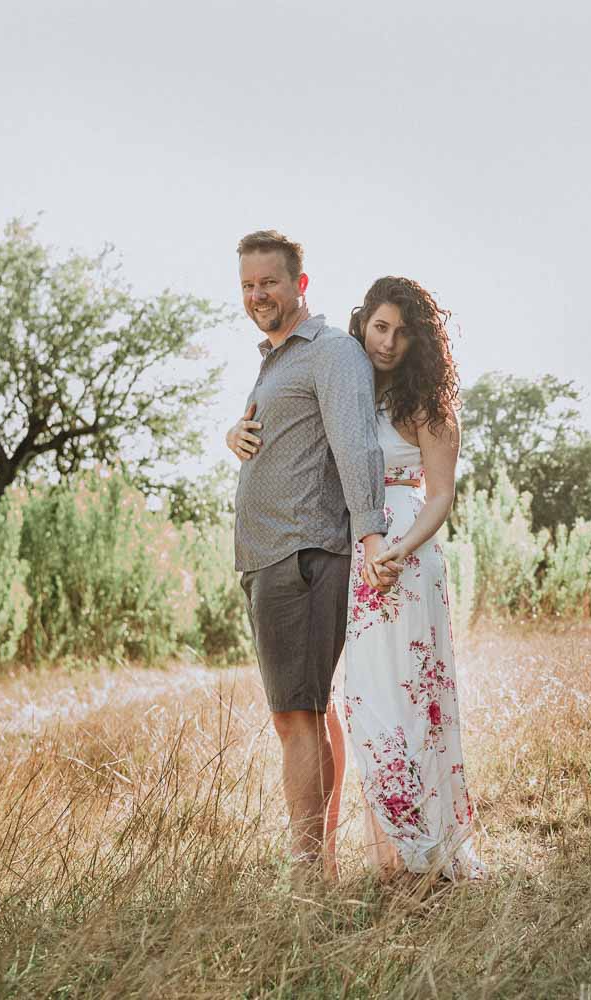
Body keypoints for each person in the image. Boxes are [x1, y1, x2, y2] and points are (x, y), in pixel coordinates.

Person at [225, 230, 400, 877]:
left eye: (267, 282)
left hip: (303, 555)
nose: (256, 295)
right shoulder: (276, 360)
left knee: (296, 717)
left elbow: (356, 445)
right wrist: (233, 434)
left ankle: (305, 877)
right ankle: (318, 863)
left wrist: (373, 533)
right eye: (246, 285)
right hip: (271, 556)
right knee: (307, 714)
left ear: (300, 283)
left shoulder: (330, 350)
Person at [329, 275, 484, 881]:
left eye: (401, 331)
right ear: (362, 324)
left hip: (409, 560)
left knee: (416, 699)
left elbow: (441, 496)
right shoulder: (349, 392)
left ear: (420, 341)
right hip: (358, 560)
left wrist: (397, 551)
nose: (388, 343)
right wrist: (234, 430)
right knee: (368, 701)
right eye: (379, 327)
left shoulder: (429, 403)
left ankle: (430, 855)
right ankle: (395, 855)